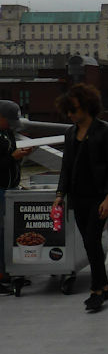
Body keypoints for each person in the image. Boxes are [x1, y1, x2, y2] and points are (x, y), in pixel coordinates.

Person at [54, 84, 108, 313]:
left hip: (99, 197)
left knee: (92, 241)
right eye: (68, 111)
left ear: (87, 106)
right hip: (78, 197)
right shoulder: (70, 133)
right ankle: (105, 284)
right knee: (89, 243)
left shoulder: (105, 131)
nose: (70, 115)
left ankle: (96, 291)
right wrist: (59, 194)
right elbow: (66, 167)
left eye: (73, 110)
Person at [0, 100, 30, 296]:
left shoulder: (7, 134)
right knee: (0, 234)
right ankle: (1, 275)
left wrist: (20, 156)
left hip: (9, 189)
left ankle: (9, 271)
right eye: (8, 121)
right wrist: (12, 157)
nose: (11, 125)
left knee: (9, 233)